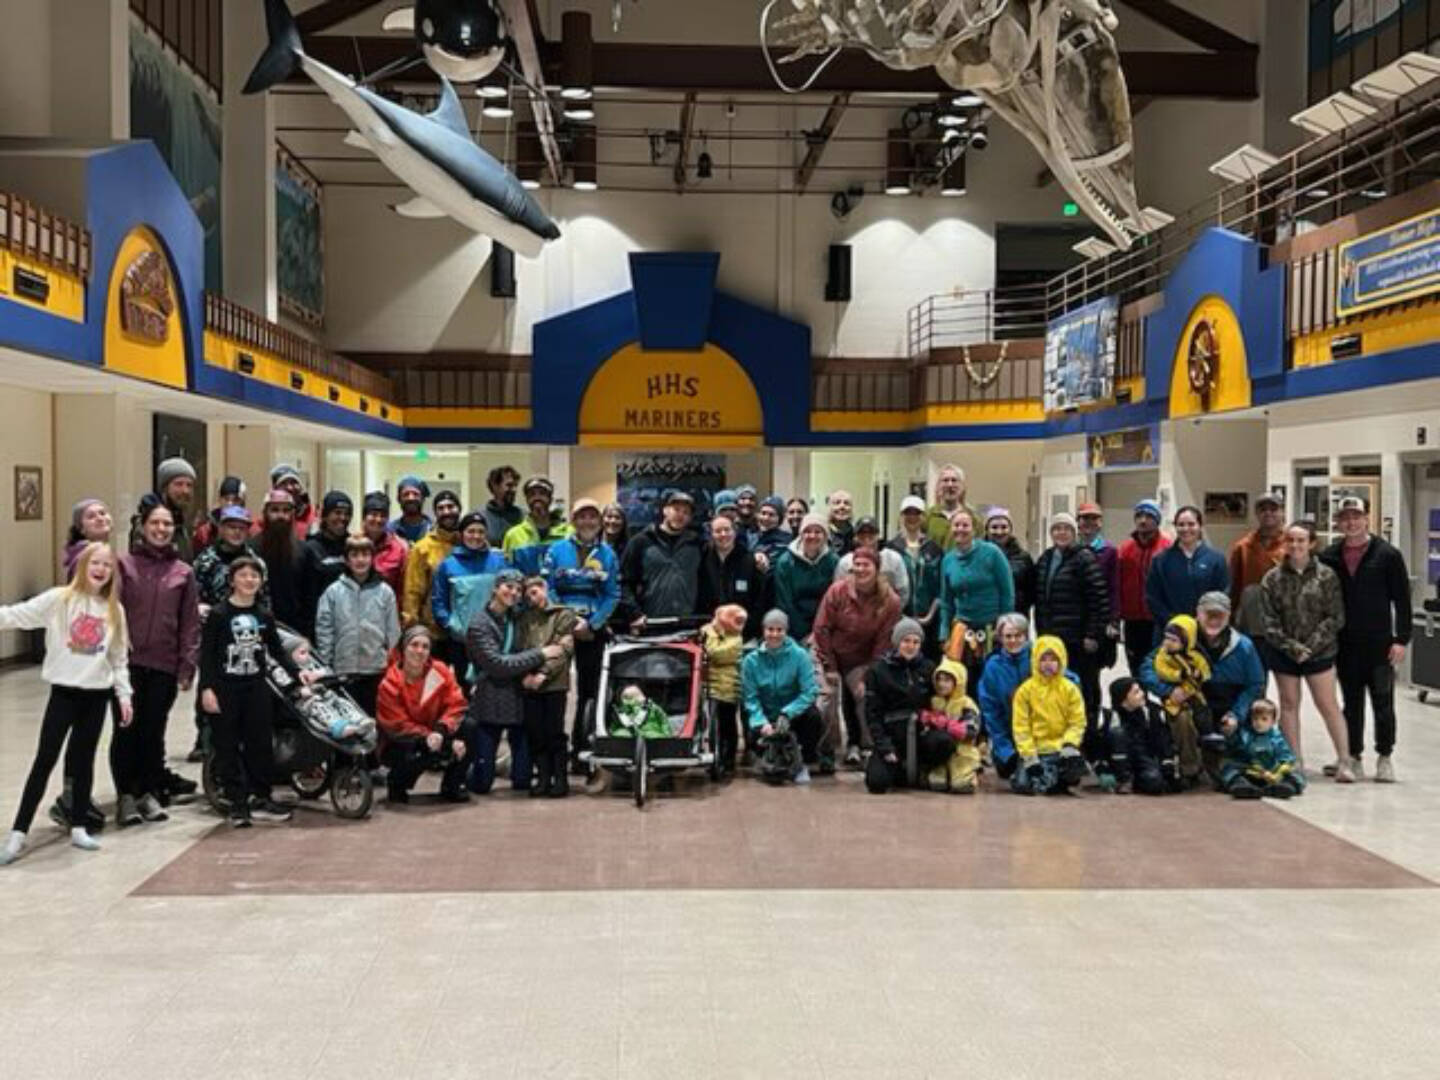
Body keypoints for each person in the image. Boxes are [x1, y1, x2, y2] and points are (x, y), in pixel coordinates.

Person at [0, 543, 133, 864]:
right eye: (95, 563)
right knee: (45, 759)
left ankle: (78, 826)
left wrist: (123, 694)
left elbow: (118, 659)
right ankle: (18, 833)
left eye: (107, 565)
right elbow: (16, 615)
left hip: (96, 696)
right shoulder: (60, 600)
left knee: (83, 761)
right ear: (83, 565)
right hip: (64, 694)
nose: (101, 569)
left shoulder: (115, 610)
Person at [199, 554, 316, 828]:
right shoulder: (219, 615)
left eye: (254, 576)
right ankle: (236, 804)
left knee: (260, 745)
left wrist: (298, 673)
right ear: (232, 580)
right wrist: (207, 689)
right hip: (225, 689)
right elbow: (206, 656)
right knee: (227, 746)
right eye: (243, 575)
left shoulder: (263, 615)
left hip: (256, 689)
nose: (249, 580)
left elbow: (276, 651)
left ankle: (260, 797)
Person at [112, 502, 200, 826]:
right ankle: (126, 795)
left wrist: (187, 665)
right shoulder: (124, 566)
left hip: (163, 665)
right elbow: (112, 613)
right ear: (142, 526)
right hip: (127, 665)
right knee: (126, 732)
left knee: (153, 732)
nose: (161, 529)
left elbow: (190, 622)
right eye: (155, 523)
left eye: (167, 524)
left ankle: (148, 792)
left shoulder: (183, 572)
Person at [1319, 495, 1411, 783]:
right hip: (1346, 644)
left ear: (1367, 518)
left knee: (1383, 702)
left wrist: (1401, 639)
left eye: (1356, 516)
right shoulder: (1330, 556)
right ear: (1338, 521)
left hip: (1380, 644)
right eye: (1345, 517)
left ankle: (1385, 756)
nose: (1350, 522)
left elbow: (1403, 601)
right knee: (1352, 702)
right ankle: (1353, 755)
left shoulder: (1388, 555)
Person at [1140, 591, 1266, 784]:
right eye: (1209, 614)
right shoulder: (1180, 637)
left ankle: (1235, 765)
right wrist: (1168, 691)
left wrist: (1236, 714)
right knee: (1180, 718)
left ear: (1229, 616)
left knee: (1260, 714)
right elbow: (1147, 667)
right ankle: (1189, 768)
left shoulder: (1244, 646)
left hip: (1229, 703)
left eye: (1220, 615)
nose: (1213, 620)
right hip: (1192, 701)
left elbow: (1256, 684)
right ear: (1198, 613)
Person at [1260, 521, 1351, 781]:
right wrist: (1292, 647)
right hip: (1284, 652)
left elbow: (1335, 617)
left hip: (1319, 652)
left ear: (1311, 543)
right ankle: (1294, 760)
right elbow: (1269, 621)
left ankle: (1345, 760)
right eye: (1291, 540)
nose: (1295, 545)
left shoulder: (1327, 576)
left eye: (1301, 541)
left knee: (1328, 704)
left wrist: (1310, 647)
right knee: (1289, 704)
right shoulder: (1272, 578)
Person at [465, 568, 567, 794]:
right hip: (490, 699)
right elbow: (497, 665)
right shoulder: (479, 624)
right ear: (495, 589)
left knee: (522, 780)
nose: (513, 593)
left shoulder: (518, 617)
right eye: (508, 587)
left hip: (518, 698)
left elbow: (549, 611)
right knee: (482, 783)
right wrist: (540, 654)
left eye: (518, 589)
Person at [543, 499, 620, 766]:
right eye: (582, 516)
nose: (588, 522)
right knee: (554, 691)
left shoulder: (608, 555)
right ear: (573, 521)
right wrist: (569, 620)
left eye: (593, 517)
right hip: (560, 629)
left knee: (590, 692)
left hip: (592, 631)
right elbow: (548, 587)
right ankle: (552, 752)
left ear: (599, 522)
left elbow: (612, 594)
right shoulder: (556, 550)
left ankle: (581, 750)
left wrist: (593, 624)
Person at [813, 546, 903, 767]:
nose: (861, 569)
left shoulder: (890, 600)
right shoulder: (837, 591)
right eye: (857, 564)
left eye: (866, 565)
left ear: (877, 569)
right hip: (828, 652)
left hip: (862, 658)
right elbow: (821, 629)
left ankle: (867, 746)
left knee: (865, 695)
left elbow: (884, 642)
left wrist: (868, 674)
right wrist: (830, 667)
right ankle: (826, 751)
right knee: (826, 698)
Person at [375, 625, 470, 802]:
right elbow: (397, 725)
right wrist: (437, 740)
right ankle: (397, 783)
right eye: (414, 645)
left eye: (425, 647)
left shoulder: (440, 671)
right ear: (403, 648)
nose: (420, 651)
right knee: (417, 751)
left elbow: (457, 703)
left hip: (436, 731)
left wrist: (442, 730)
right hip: (402, 740)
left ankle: (453, 785)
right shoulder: (389, 683)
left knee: (471, 727)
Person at [1033, 512, 1109, 726]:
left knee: (1085, 687)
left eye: (1066, 529)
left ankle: (1089, 733)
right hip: (1053, 638)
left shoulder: (1084, 558)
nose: (1061, 533)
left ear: (1074, 533)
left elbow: (1099, 600)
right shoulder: (1046, 559)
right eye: (1057, 529)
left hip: (1079, 639)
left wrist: (1093, 634)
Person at [316, 536, 401, 718]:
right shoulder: (333, 591)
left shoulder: (385, 592)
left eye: (365, 554)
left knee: (373, 718)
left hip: (375, 669)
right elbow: (324, 629)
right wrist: (326, 662)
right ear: (347, 560)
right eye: (354, 555)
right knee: (347, 719)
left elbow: (393, 630)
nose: (360, 560)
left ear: (373, 558)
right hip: (343, 668)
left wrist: (389, 660)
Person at [741, 609, 823, 784]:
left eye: (780, 630)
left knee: (814, 718)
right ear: (764, 631)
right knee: (749, 722)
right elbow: (750, 698)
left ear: (786, 631)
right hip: (767, 717)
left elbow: (809, 692)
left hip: (794, 715)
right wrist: (761, 722)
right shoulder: (750, 662)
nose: (775, 634)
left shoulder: (800, 656)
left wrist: (787, 713)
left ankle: (804, 760)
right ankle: (765, 755)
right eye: (770, 629)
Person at [938, 508, 1014, 689]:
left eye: (965, 525)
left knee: (991, 681)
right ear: (951, 529)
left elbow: (1007, 593)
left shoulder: (992, 553)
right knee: (962, 681)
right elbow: (946, 601)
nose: (961, 529)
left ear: (974, 530)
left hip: (991, 629)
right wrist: (944, 633)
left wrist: (1003, 626)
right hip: (962, 629)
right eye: (957, 525)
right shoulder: (948, 560)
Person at [516, 576, 578, 798]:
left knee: (555, 732)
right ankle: (542, 777)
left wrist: (544, 673)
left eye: (534, 592)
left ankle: (560, 778)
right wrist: (526, 674)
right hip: (530, 682)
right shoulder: (524, 618)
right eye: (527, 595)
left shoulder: (563, 614)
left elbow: (564, 649)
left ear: (544, 589)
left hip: (555, 683)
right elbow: (521, 649)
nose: (532, 598)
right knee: (536, 733)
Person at [863, 619, 941, 794]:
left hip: (921, 731)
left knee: (943, 743)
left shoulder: (928, 668)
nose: (911, 646)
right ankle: (896, 769)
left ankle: (924, 768)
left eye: (916, 642)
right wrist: (884, 746)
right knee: (877, 782)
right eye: (906, 641)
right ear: (897, 642)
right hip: (892, 733)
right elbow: (872, 713)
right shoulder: (878, 670)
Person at [430, 511, 507, 676]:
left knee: (493, 687)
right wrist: (452, 625)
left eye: (481, 531)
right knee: (463, 689)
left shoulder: (499, 562)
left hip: (494, 638)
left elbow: (508, 595)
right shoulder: (448, 565)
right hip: (461, 641)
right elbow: (439, 601)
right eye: (471, 531)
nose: (476, 536)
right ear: (461, 534)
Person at [1009, 636, 1087, 795]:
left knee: (1072, 773)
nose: (1048, 664)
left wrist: (1070, 744)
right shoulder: (1025, 691)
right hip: (1036, 750)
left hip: (1061, 749)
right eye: (1043, 659)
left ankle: (1057, 777)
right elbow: (1020, 727)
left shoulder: (1070, 689)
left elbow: (1077, 722)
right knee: (1023, 785)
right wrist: (1029, 756)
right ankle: (1045, 777)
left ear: (1061, 661)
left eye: (1053, 659)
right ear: (1035, 661)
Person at [1147, 615, 1219, 780]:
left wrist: (1199, 675)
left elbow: (1206, 671)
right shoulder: (1162, 655)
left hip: (1194, 695)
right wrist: (1179, 676)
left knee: (1203, 714)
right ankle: (1188, 767)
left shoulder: (1197, 656)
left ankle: (1208, 739)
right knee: (1182, 720)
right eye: (1166, 638)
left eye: (1174, 640)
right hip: (1171, 699)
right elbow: (1160, 671)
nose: (1168, 643)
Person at [619, 489, 704, 625]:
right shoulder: (641, 541)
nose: (680, 515)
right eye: (676, 509)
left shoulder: (697, 544)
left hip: (688, 623)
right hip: (650, 623)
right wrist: (634, 614)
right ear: (665, 510)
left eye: (686, 512)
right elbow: (623, 583)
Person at [1145, 506, 1229, 637]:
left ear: (1200, 526)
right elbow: (1152, 597)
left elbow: (1222, 594)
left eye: (1191, 524)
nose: (1186, 529)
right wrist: (1174, 623)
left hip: (1205, 632)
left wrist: (1204, 622)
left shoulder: (1216, 559)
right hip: (1170, 632)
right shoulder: (1160, 560)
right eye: (1181, 525)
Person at [1096, 677, 1180, 795]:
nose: (1142, 694)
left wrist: (1167, 762)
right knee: (1117, 734)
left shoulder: (1150, 713)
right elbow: (1099, 746)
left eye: (1140, 690)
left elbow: (1163, 739)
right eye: (1136, 692)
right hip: (1118, 763)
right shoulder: (1110, 717)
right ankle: (1124, 780)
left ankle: (1138, 781)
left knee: (1155, 783)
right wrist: (1102, 769)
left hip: (1143, 760)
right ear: (1123, 699)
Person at [976, 612, 1033, 781]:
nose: (1013, 640)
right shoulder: (993, 667)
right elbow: (991, 712)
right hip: (1009, 735)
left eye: (1018, 635)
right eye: (1008, 636)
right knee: (1007, 769)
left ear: (1026, 636)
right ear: (1000, 638)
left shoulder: (1038, 657)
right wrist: (1006, 750)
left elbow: (1066, 677)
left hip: (1039, 733)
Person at [1116, 499, 1170, 675]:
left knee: (1160, 667)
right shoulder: (1125, 550)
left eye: (1148, 516)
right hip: (1132, 620)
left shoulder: (1168, 548)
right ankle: (1139, 701)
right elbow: (1117, 584)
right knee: (1136, 666)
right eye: (1139, 515)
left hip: (1158, 620)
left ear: (1157, 520)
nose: (1143, 520)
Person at [1227, 491, 1286, 649]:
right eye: (1263, 509)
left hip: (1285, 624)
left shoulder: (1292, 545)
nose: (1268, 513)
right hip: (1251, 624)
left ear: (1282, 512)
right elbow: (1233, 586)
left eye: (1273, 509)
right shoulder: (1243, 547)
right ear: (1256, 514)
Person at [401, 488, 461, 635]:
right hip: (433, 632)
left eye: (450, 506)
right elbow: (412, 592)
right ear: (435, 513)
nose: (446, 512)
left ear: (459, 509)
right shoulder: (422, 548)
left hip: (465, 629)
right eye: (441, 508)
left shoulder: (469, 542)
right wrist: (412, 628)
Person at [919, 657, 983, 793]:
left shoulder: (967, 703)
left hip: (962, 751)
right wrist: (927, 718)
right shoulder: (934, 702)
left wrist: (948, 724)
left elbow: (971, 731)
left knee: (961, 785)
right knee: (937, 783)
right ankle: (937, 771)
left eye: (947, 680)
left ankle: (970, 776)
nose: (942, 684)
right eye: (939, 679)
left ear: (958, 682)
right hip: (940, 753)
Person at [888, 496, 944, 650]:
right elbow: (887, 586)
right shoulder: (891, 548)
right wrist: (899, 614)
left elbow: (941, 587)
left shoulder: (934, 549)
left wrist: (928, 616)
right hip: (899, 620)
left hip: (930, 621)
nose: (912, 517)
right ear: (901, 516)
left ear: (923, 517)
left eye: (917, 513)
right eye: (908, 513)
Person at [1220, 698, 1304, 799]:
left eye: (1264, 719)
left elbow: (1285, 756)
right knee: (1230, 769)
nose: (1259, 723)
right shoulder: (1245, 735)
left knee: (1296, 773)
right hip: (1252, 771)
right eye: (1255, 719)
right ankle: (1242, 786)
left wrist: (1280, 770)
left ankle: (1284, 787)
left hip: (1273, 771)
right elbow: (1237, 751)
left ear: (1273, 721)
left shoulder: (1277, 737)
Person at [772, 514, 838, 642]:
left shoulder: (833, 561)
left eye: (818, 532)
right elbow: (785, 603)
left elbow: (834, 602)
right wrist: (803, 634)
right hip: (793, 630)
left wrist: (818, 632)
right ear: (801, 534)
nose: (812, 536)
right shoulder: (785, 562)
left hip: (825, 629)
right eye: (807, 531)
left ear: (825, 536)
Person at [298, 491, 353, 640]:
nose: (342, 518)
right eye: (337, 512)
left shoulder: (353, 547)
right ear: (325, 515)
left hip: (348, 629)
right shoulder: (309, 548)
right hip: (317, 630)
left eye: (347, 514)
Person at [701, 604, 748, 774]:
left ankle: (728, 761)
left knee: (729, 726)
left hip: (729, 690)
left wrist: (716, 634)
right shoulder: (707, 631)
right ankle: (714, 757)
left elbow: (714, 653)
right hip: (711, 688)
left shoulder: (736, 639)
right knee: (713, 726)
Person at [698, 512, 764, 631]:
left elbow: (759, 599)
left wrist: (748, 626)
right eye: (718, 531)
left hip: (742, 630)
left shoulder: (748, 560)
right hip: (710, 629)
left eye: (727, 530)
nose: (723, 534)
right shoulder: (702, 558)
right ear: (711, 534)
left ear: (734, 532)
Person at [255, 489, 305, 632]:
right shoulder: (251, 549)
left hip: (296, 629)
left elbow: (308, 599)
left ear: (292, 514)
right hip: (259, 627)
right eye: (275, 510)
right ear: (265, 513)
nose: (281, 516)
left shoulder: (304, 551)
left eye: (286, 510)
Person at [834, 517, 910, 610]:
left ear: (878, 535)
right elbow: (837, 594)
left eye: (871, 533)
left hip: (888, 613)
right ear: (855, 537)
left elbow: (903, 592)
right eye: (862, 533)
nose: (866, 537)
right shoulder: (845, 562)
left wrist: (891, 614)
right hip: (854, 615)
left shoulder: (894, 559)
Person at [503, 476, 572, 576]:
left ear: (551, 499)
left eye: (542, 494)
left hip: (560, 590)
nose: (537, 497)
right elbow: (507, 573)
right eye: (532, 494)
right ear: (526, 500)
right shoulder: (513, 535)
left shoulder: (569, 533)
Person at [984, 507, 1035, 619]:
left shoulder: (1023, 557)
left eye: (1004, 527)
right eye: (994, 527)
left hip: (1016, 616)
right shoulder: (977, 555)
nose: (999, 531)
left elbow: (1031, 591)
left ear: (1010, 530)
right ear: (986, 530)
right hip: (985, 615)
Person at [360, 491, 409, 596]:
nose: (378, 519)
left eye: (383, 516)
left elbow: (404, 589)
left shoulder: (400, 548)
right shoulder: (353, 544)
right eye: (373, 514)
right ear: (364, 517)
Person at [191, 476, 251, 552]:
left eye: (235, 500)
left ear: (242, 503)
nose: (230, 503)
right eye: (226, 499)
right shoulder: (205, 532)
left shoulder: (250, 530)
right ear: (220, 500)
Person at [925, 465, 976, 550]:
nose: (950, 485)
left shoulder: (973, 517)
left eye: (954, 480)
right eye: (945, 480)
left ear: (962, 487)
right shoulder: (927, 516)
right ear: (938, 486)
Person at [63, 498, 113, 580]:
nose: (100, 519)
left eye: (102, 513)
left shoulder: (104, 550)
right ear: (81, 529)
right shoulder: (84, 557)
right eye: (91, 517)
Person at [270, 463, 316, 540]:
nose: (290, 488)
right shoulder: (268, 518)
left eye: (294, 482)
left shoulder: (311, 516)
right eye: (283, 483)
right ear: (274, 490)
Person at [480, 465, 522, 546]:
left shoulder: (523, 516)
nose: (514, 490)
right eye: (509, 485)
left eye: (515, 485)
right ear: (495, 486)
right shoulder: (480, 517)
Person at [748, 495, 792, 567]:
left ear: (779, 519)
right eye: (763, 513)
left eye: (771, 515)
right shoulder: (751, 537)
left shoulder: (786, 540)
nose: (766, 518)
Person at [391, 475, 432, 543]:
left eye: (415, 494)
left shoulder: (433, 529)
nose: (411, 498)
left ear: (423, 499)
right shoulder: (390, 530)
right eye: (406, 494)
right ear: (398, 499)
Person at [824, 489, 856, 556]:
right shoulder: (822, 534)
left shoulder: (856, 535)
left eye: (846, 503)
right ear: (829, 507)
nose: (842, 506)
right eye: (837, 503)